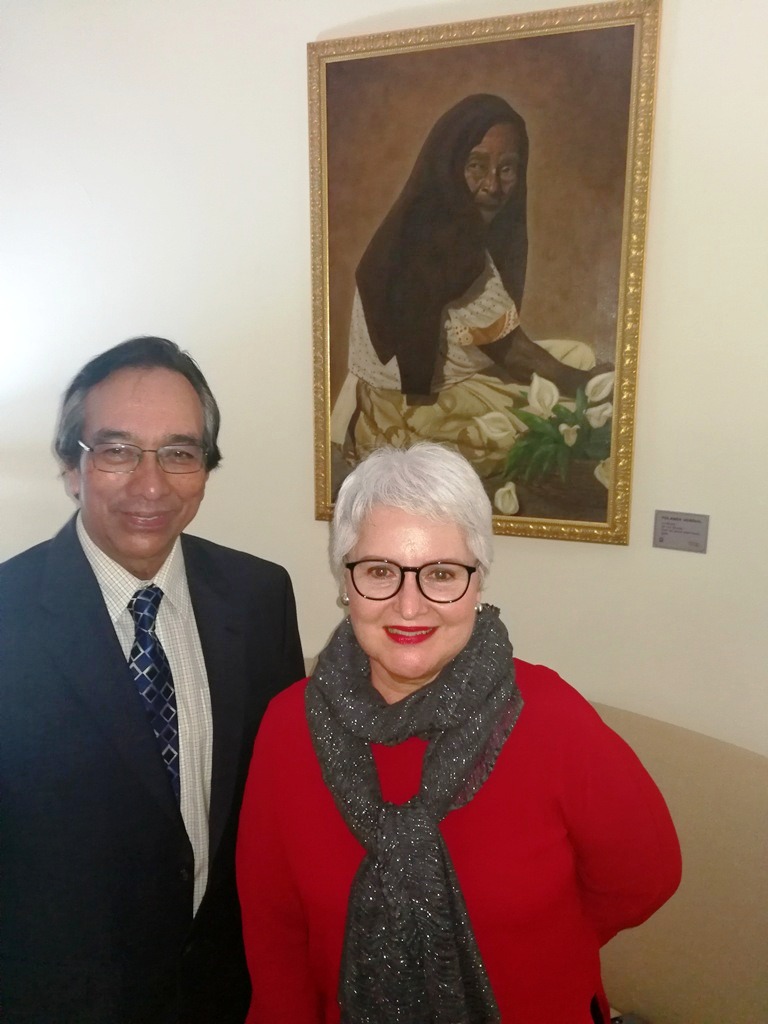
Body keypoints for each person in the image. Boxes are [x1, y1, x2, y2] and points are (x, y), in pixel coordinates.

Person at [236, 442, 681, 1024]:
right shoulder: (287, 726)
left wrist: (540, 948)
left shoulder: (554, 718)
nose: (409, 606)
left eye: (442, 574)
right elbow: (274, 936)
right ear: (346, 581)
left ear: (477, 583)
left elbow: (645, 878)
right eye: (380, 572)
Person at [0, 337, 304, 1024]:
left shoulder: (260, 597)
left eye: (178, 452)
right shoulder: (7, 617)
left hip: (225, 992)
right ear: (72, 466)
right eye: (117, 450)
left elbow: (274, 803)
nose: (151, 484)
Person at [331, 93, 609, 482]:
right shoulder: (447, 244)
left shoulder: (428, 219)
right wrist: (589, 383)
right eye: (476, 165)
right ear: (449, 163)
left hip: (428, 381)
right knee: (563, 410)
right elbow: (514, 353)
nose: (492, 185)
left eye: (507, 168)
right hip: (409, 408)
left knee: (578, 355)